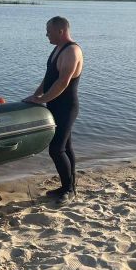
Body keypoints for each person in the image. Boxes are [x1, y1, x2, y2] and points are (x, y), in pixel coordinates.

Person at [23, 16, 83, 205]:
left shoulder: (72, 51)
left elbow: (63, 81)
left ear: (60, 31)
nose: (46, 34)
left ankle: (69, 190)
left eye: (48, 31)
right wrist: (35, 96)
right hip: (55, 105)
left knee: (56, 149)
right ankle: (69, 185)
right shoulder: (57, 49)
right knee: (67, 147)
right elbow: (49, 77)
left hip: (67, 107)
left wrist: (43, 99)